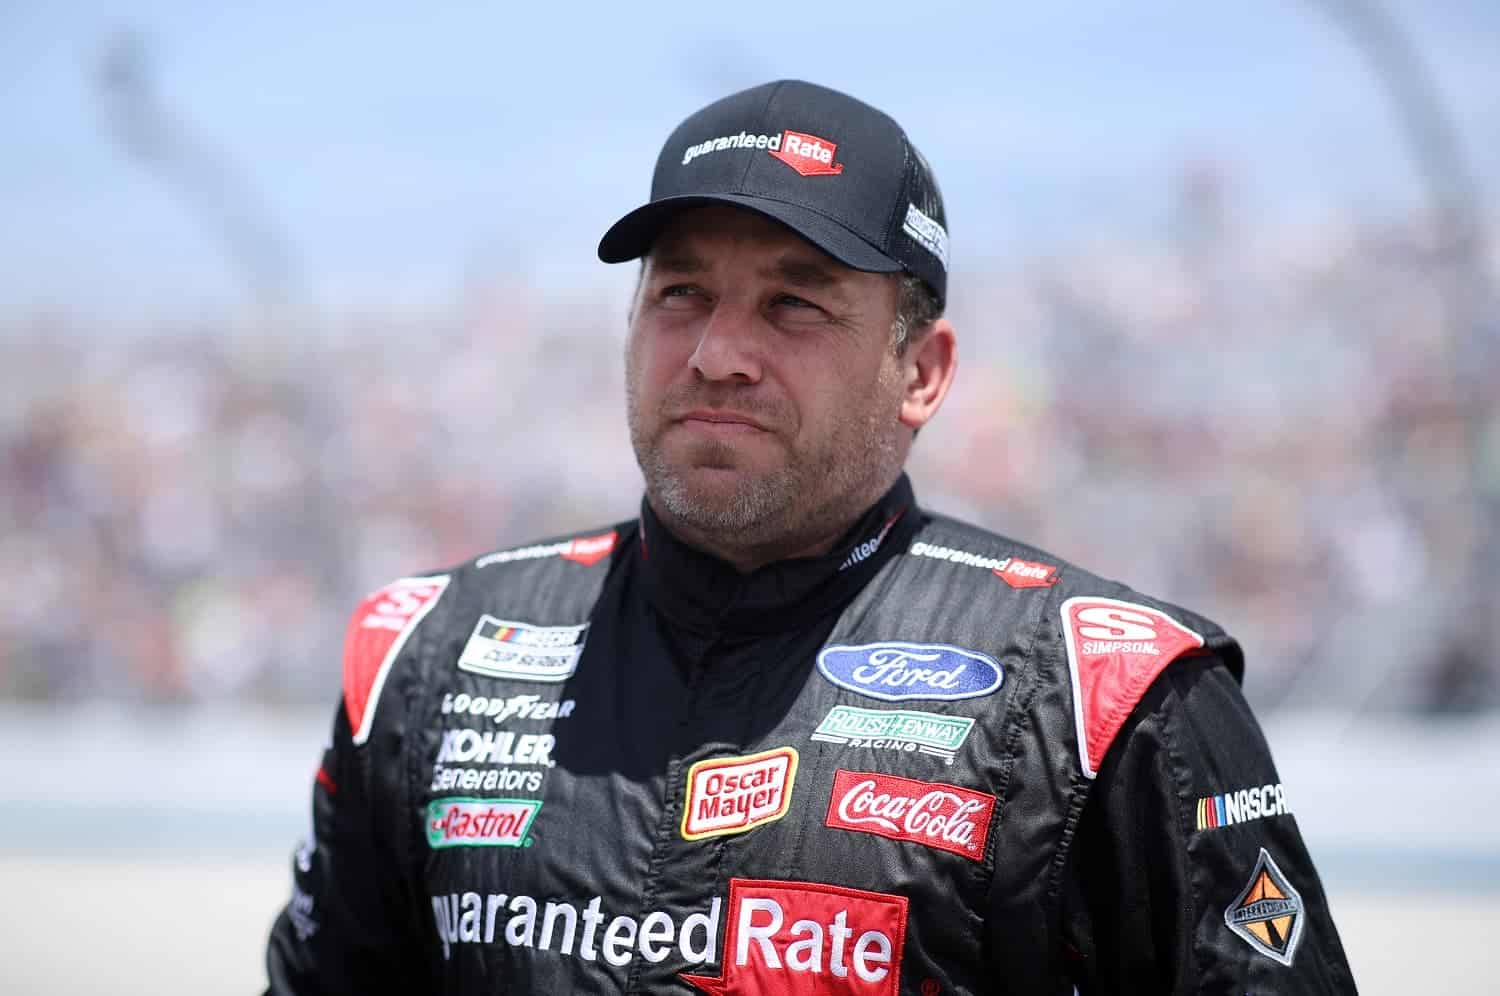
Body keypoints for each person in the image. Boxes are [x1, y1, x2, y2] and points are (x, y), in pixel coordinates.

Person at [265, 79, 1356, 994]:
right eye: (681, 293)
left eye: (795, 305)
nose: (717, 354)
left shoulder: (1106, 694)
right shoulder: (434, 656)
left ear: (920, 371)